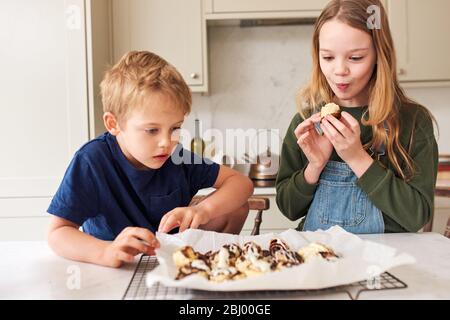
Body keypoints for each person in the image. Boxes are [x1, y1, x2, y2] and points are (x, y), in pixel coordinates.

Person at [47, 51, 253, 267]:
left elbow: (241, 183)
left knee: (235, 205)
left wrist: (202, 210)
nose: (167, 142)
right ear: (113, 124)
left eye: (175, 128)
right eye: (152, 130)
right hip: (116, 270)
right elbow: (58, 232)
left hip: (174, 264)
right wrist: (105, 252)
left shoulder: (177, 156)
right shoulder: (92, 160)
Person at [276, 0, 438, 234]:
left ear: (378, 56)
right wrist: (315, 166)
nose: (339, 70)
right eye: (328, 57)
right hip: (320, 257)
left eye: (355, 58)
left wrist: (357, 157)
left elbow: (417, 217)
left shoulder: (412, 122)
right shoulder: (306, 121)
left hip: (385, 258)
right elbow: (288, 208)